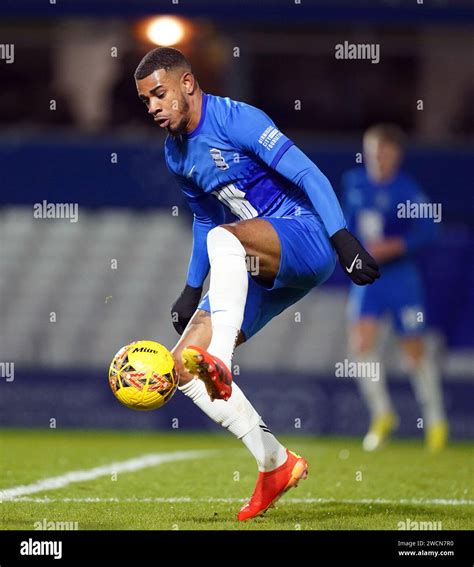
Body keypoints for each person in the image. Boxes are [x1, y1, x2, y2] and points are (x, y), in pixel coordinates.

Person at [134, 47, 379, 521]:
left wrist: (343, 237)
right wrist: (190, 289)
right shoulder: (175, 154)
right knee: (182, 369)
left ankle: (220, 360)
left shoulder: (238, 120)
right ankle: (275, 462)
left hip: (304, 234)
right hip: (258, 258)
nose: (154, 108)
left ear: (187, 84)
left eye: (159, 95)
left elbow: (308, 172)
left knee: (227, 251)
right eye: (146, 101)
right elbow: (207, 221)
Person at [341, 124, 448, 453]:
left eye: (384, 152)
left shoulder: (407, 190)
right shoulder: (354, 183)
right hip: (369, 279)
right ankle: (382, 415)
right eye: (372, 151)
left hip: (403, 279)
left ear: (396, 155)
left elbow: (430, 230)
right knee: (360, 345)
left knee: (413, 351)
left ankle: (435, 421)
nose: (377, 158)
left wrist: (394, 246)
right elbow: (345, 223)